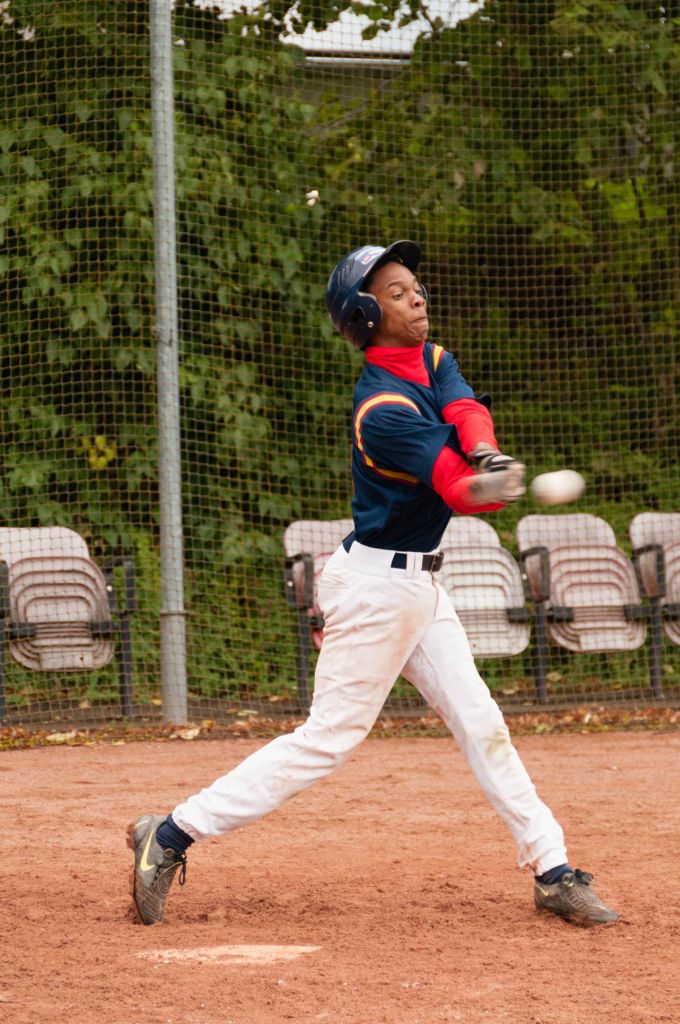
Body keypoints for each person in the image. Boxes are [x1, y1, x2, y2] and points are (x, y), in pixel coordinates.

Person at [128, 240, 618, 928]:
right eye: (395, 293)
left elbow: (464, 408)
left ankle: (553, 868)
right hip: (375, 593)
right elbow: (456, 488)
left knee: (482, 722)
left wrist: (487, 452)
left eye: (414, 286)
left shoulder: (431, 359)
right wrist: (491, 485)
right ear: (365, 317)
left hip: (421, 588)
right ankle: (171, 833)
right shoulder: (381, 411)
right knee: (327, 740)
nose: (415, 297)